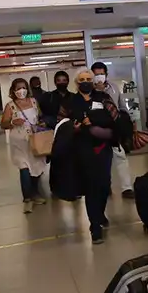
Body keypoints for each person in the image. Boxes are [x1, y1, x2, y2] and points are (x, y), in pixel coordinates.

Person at [59, 68, 124, 244]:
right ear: (76, 83)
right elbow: (62, 123)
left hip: (103, 147)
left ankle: (100, 213)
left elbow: (115, 117)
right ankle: (94, 226)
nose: (86, 82)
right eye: (82, 79)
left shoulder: (103, 97)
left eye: (89, 78)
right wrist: (77, 127)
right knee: (90, 186)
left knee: (103, 184)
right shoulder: (69, 102)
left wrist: (94, 119)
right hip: (82, 148)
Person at [0, 78, 48, 214]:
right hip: (19, 142)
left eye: (23, 87)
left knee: (37, 167)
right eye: (18, 88)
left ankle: (35, 193)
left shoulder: (33, 102)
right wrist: (13, 122)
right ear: (13, 91)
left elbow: (39, 117)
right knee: (24, 168)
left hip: (34, 140)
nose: (21, 91)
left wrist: (41, 124)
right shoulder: (11, 106)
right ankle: (27, 198)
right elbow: (3, 124)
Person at [91, 62, 134, 199]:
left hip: (115, 129)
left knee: (120, 156)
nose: (99, 77)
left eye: (101, 74)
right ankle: (105, 186)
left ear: (106, 74)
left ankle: (126, 188)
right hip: (98, 130)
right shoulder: (89, 91)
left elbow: (122, 106)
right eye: (96, 74)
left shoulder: (114, 88)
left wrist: (129, 121)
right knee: (102, 160)